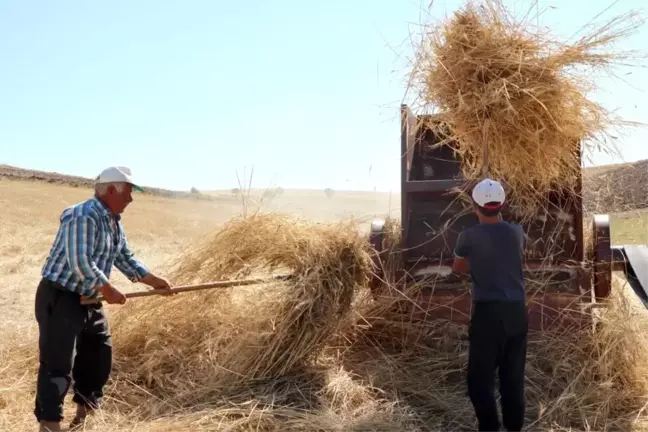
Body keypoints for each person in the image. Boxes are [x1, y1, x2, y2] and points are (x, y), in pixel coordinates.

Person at [34, 166, 173, 432]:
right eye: (129, 193)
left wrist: (154, 281)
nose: (131, 199)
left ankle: (82, 419)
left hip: (90, 299)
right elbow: (80, 262)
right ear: (111, 190)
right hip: (61, 297)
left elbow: (125, 258)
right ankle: (49, 425)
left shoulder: (113, 221)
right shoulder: (83, 215)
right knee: (58, 365)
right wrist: (108, 289)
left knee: (98, 356)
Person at [452, 178, 528, 432]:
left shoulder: (468, 237)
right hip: (517, 312)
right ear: (502, 204)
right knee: (512, 379)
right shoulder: (517, 232)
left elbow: (459, 267)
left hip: (488, 314)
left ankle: (490, 428)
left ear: (474, 206)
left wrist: (478, 259)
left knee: (479, 381)